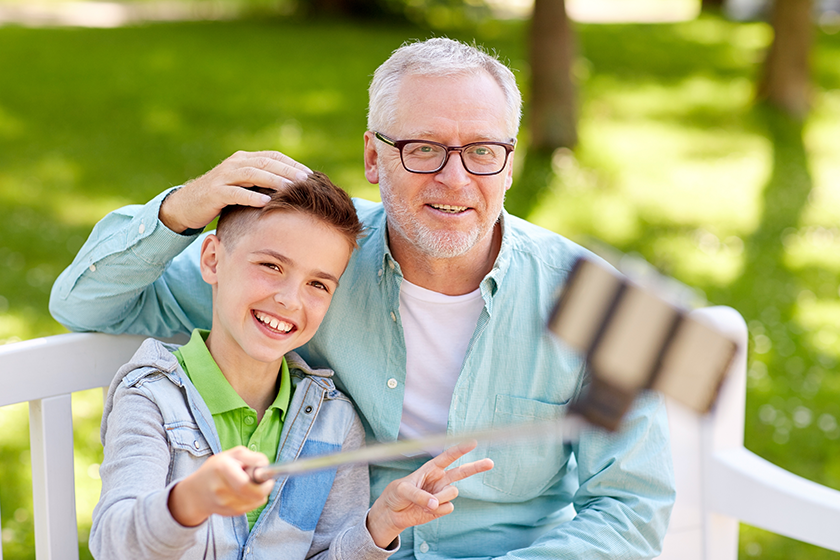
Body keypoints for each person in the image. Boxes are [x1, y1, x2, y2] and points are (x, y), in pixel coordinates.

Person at [52, 38, 676, 559]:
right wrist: (181, 208)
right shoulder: (310, 263)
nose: (455, 179)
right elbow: (88, 305)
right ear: (374, 158)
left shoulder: (605, 302)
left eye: (483, 151)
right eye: (424, 148)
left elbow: (632, 505)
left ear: (509, 165)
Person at [88, 172, 493, 560]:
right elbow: (114, 543)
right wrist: (192, 498)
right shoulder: (151, 397)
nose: (290, 300)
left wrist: (379, 525)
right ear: (212, 259)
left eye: (317, 284)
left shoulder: (333, 422)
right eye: (271, 266)